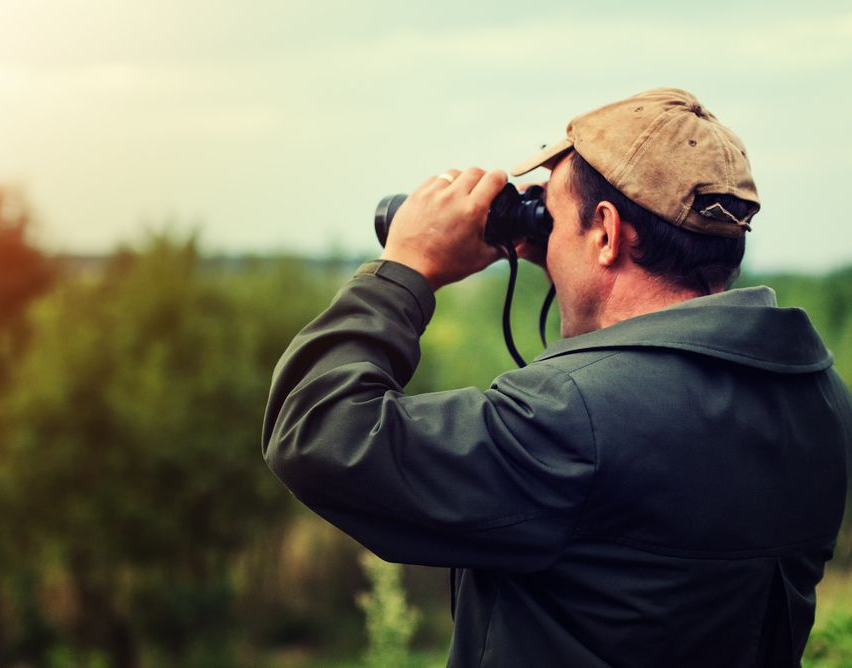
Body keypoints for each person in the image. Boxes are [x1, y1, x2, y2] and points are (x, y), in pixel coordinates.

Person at [261, 88, 852, 667]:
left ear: (607, 231)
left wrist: (406, 267)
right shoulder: (819, 400)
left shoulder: (574, 417)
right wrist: (570, 244)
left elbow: (316, 432)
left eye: (556, 217)